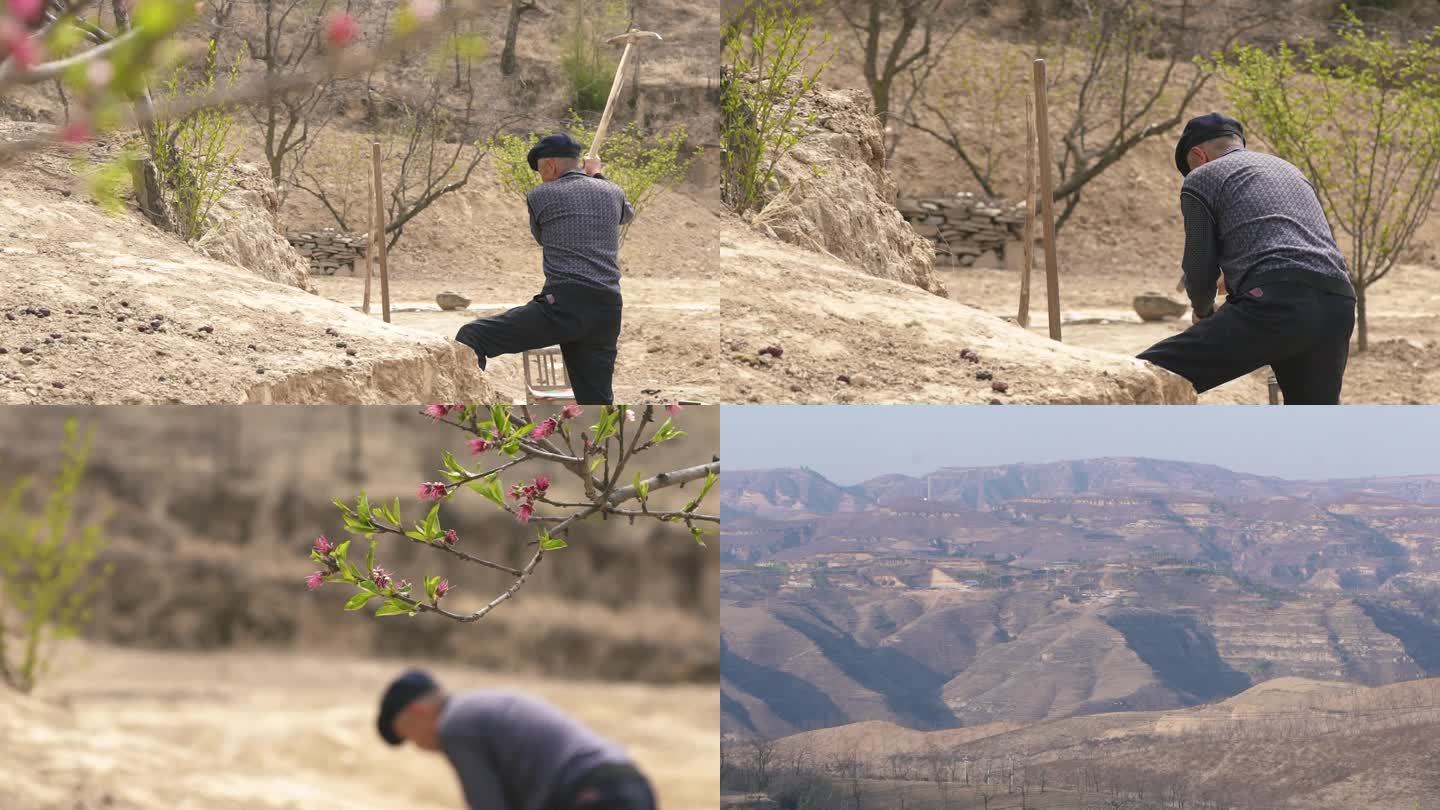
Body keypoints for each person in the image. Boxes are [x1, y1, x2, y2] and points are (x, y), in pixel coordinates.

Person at [1136, 112, 1357, 404]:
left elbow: (1199, 264)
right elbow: (1295, 240)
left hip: (1275, 306)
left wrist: (1202, 312)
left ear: (1197, 155)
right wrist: (1241, 273)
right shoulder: (1290, 170)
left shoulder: (1202, 177)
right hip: (1337, 304)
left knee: (1143, 378)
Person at [454, 132, 635, 404]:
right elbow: (626, 214)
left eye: (540, 170)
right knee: (596, 401)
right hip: (607, 309)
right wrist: (596, 176)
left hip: (563, 305)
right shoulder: (613, 192)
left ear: (550, 165)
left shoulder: (541, 195)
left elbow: (542, 237)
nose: (541, 177)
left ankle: (467, 409)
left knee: (472, 336)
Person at [378, 669, 658, 810]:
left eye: (410, 737)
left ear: (419, 711)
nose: (420, 748)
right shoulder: (481, 706)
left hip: (590, 795)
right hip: (627, 786)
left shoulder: (455, 726)